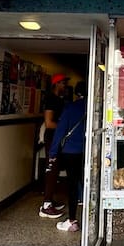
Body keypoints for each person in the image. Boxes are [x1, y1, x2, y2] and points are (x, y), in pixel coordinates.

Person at [48, 80, 88, 232]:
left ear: (77, 93)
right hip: (89, 151)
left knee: (73, 185)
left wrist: (53, 153)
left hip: (71, 151)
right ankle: (96, 220)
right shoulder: (95, 108)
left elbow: (60, 132)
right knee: (89, 183)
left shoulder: (70, 107)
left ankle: (72, 220)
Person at [38, 73, 70, 218]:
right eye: (63, 83)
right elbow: (49, 123)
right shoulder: (51, 99)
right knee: (51, 170)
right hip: (52, 139)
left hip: (58, 139)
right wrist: (64, 128)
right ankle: (46, 205)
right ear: (56, 84)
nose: (65, 85)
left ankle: (50, 200)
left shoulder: (60, 99)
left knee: (55, 170)